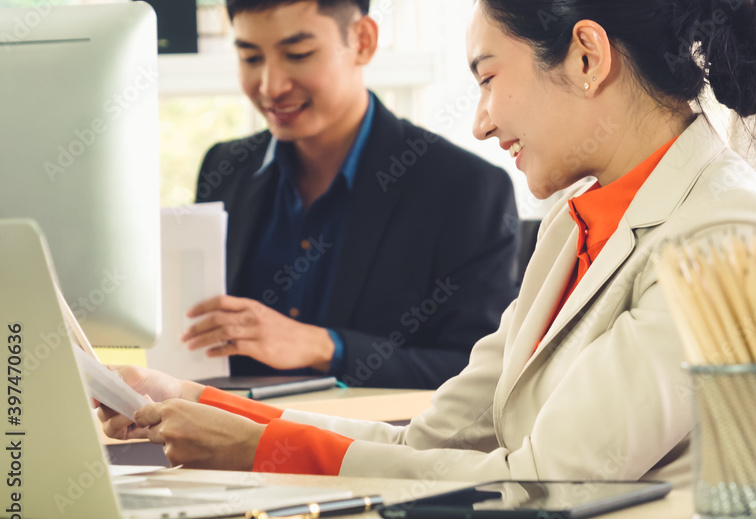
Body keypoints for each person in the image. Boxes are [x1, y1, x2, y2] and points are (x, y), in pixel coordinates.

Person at [101, 0, 756, 483]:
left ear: (587, 58)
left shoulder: (727, 232)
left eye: (488, 78)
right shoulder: (573, 230)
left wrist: (260, 448)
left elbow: (545, 482)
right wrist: (196, 399)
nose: (478, 122)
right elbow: (427, 443)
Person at [185, 0, 520, 389]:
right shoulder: (224, 168)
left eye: (298, 54)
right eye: (250, 57)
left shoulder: (465, 189)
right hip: (229, 438)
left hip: (370, 442)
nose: (270, 86)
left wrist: (326, 346)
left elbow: (478, 375)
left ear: (362, 41)